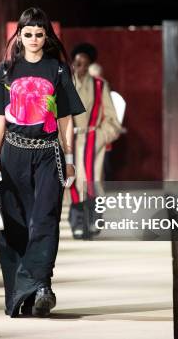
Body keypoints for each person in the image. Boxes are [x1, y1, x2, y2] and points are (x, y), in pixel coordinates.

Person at [0, 7, 85, 317]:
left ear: (47, 37)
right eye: (28, 34)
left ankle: (41, 285)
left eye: (39, 34)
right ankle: (19, 294)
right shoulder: (4, 71)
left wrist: (69, 160)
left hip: (48, 152)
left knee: (45, 217)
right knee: (14, 224)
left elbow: (65, 118)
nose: (34, 39)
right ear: (19, 37)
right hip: (13, 151)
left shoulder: (58, 70)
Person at [68, 43, 123, 239]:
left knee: (92, 181)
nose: (79, 67)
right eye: (76, 63)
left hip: (93, 139)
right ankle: (77, 222)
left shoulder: (100, 85)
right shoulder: (65, 84)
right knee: (73, 182)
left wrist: (102, 136)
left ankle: (93, 220)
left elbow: (112, 118)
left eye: (83, 64)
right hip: (70, 140)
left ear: (90, 64)